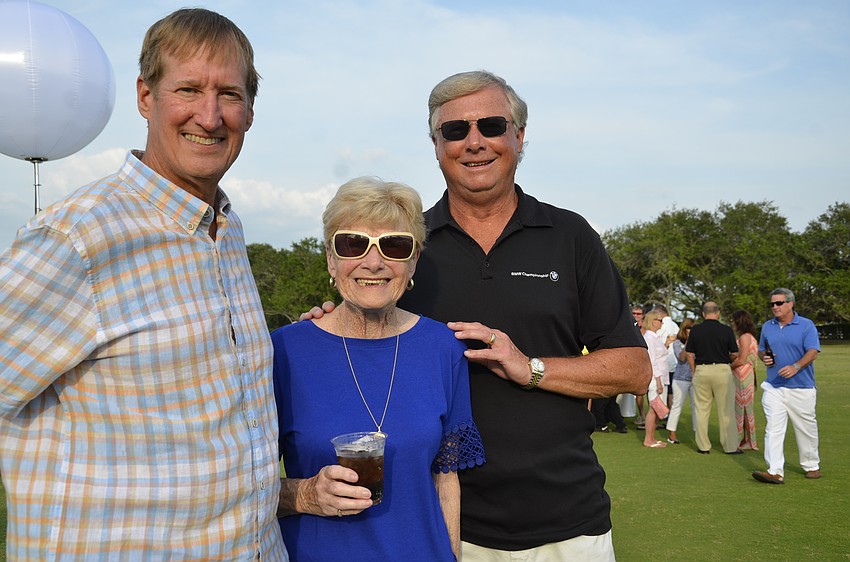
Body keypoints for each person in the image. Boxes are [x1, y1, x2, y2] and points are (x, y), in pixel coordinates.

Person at [305, 70, 650, 560]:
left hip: (567, 524)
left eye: (491, 126)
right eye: (454, 130)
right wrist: (331, 317)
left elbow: (635, 370)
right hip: (442, 524)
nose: (474, 142)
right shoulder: (405, 246)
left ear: (519, 136)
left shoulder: (570, 236)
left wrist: (530, 367)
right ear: (435, 144)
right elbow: (361, 324)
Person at [0, 9, 287, 560]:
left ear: (250, 110)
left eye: (229, 93)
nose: (209, 115)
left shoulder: (225, 230)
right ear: (145, 97)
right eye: (188, 89)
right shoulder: (79, 238)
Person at [273, 178, 485, 561]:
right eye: (353, 244)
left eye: (395, 245)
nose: (374, 262)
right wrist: (303, 494)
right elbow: (238, 485)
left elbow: (446, 480)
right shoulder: (281, 351)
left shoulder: (443, 349)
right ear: (330, 258)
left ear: (414, 260)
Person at [752, 288, 821, 485]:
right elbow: (762, 349)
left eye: (779, 303)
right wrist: (763, 357)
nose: (775, 307)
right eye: (772, 304)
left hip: (802, 387)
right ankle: (775, 471)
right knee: (773, 428)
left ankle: (811, 465)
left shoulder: (806, 325)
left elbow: (813, 351)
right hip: (774, 387)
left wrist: (796, 366)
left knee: (806, 428)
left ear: (791, 304)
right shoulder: (767, 326)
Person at [685, 301, 740, 455]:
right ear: (718, 313)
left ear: (703, 313)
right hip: (722, 370)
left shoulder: (696, 330)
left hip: (702, 370)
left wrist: (694, 370)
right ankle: (730, 446)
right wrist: (728, 358)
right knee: (726, 410)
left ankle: (703, 446)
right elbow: (735, 353)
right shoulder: (726, 330)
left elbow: (689, 353)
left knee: (702, 410)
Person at [730, 309, 759, 451]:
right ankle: (747, 440)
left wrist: (729, 366)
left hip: (742, 374)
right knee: (746, 408)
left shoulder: (744, 337)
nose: (732, 323)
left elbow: (741, 359)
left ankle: (745, 440)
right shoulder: (749, 337)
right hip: (747, 373)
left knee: (742, 408)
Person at [641, 310, 670, 448]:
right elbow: (652, 361)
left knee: (657, 409)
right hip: (654, 378)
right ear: (653, 321)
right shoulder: (649, 338)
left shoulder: (654, 337)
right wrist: (658, 381)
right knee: (654, 408)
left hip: (661, 377)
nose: (662, 322)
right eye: (659, 320)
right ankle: (648, 439)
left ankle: (652, 437)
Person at [666, 318, 696, 444]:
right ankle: (672, 434)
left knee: (697, 407)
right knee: (677, 406)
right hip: (681, 378)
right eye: (689, 328)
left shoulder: (699, 342)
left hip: (696, 378)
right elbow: (682, 358)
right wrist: (689, 342)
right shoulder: (677, 342)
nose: (691, 331)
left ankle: (698, 434)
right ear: (684, 329)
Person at [653, 304, 679, 406]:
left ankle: (661, 413)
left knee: (660, 390)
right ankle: (669, 413)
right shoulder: (675, 325)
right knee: (670, 390)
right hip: (674, 361)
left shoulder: (662, 325)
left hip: (662, 361)